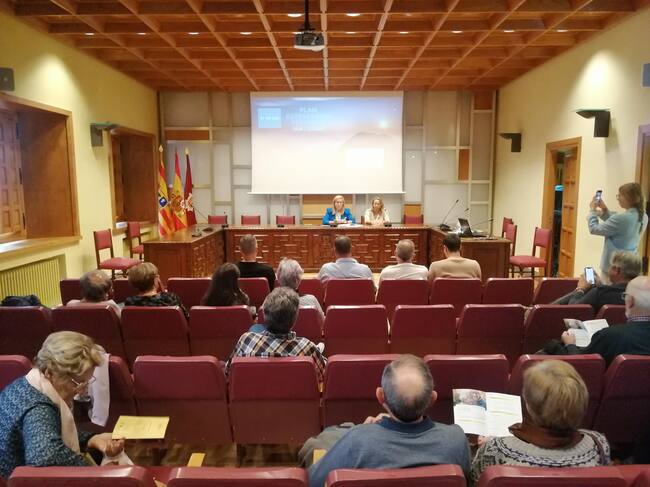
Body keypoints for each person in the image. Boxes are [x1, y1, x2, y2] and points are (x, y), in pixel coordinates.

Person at [308, 355, 471, 487]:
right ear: (432, 399)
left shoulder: (357, 440)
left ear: (380, 396)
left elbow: (313, 480)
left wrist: (364, 431)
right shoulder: (456, 440)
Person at [0, 331, 125, 479]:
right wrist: (96, 474)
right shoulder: (38, 409)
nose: (82, 390)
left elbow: (49, 431)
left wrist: (90, 439)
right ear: (49, 373)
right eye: (77, 383)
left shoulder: (27, 384)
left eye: (87, 382)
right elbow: (45, 457)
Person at [471, 360, 610, 482]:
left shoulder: (496, 449)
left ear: (530, 406)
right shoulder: (599, 444)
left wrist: (484, 448)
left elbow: (476, 481)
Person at [226, 287, 327, 381]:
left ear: (264, 314)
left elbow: (228, 372)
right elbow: (325, 376)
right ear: (295, 319)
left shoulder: (246, 340)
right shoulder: (308, 348)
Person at [549, 276, 650, 365]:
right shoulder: (612, 336)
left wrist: (570, 344)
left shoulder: (611, 336)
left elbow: (583, 365)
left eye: (625, 296)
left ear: (630, 301)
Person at [588, 182, 648, 275]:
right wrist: (605, 209)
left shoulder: (622, 218)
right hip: (629, 265)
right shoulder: (644, 216)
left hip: (613, 267)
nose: (618, 198)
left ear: (629, 198)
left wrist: (592, 211)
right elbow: (618, 225)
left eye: (620, 195)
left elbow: (594, 229)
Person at [552, 251, 641, 312]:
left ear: (616, 270)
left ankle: (549, 308)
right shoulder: (642, 294)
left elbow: (573, 310)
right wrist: (601, 285)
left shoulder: (600, 293)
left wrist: (580, 289)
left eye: (610, 266)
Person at [123, 262, 188, 319]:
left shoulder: (130, 302)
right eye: (157, 276)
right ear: (155, 280)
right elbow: (185, 318)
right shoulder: (170, 298)